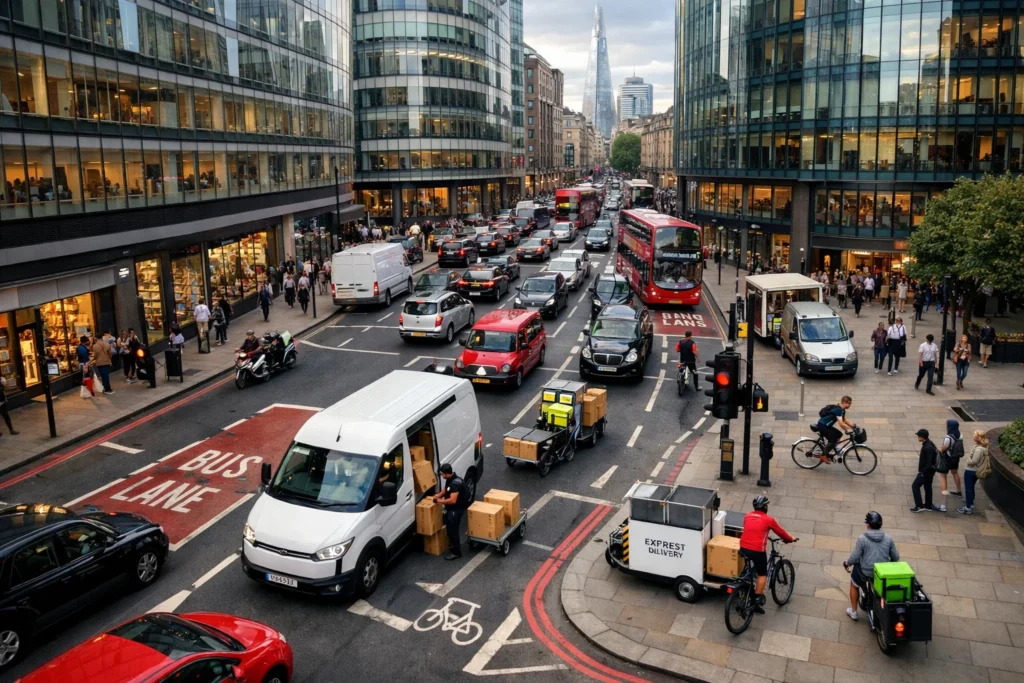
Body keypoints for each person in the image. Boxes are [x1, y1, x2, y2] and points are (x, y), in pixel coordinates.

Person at [739, 496, 795, 615]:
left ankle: (747, 580)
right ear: (765, 507)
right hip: (757, 550)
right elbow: (781, 532)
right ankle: (756, 600)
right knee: (762, 573)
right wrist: (790, 539)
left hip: (743, 547)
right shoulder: (769, 520)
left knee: (751, 563)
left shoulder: (747, 515)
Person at [843, 512, 900, 622]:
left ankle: (854, 612)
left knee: (854, 583)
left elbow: (855, 557)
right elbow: (896, 557)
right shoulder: (888, 538)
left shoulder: (862, 538)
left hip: (866, 572)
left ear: (868, 525)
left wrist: (847, 563)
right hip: (882, 572)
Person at [432, 463, 471, 560]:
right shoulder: (451, 479)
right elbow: (446, 489)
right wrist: (439, 495)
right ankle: (452, 545)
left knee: (453, 530)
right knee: (449, 527)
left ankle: (456, 552)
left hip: (457, 509)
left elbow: (452, 500)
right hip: (453, 508)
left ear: (447, 474)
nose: (441, 476)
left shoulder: (455, 484)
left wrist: (439, 501)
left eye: (442, 474)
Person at [910, 428, 943, 512]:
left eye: (918, 436)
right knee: (927, 487)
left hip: (926, 472)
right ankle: (928, 505)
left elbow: (929, 463)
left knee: (915, 486)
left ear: (921, 437)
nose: (917, 437)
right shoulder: (930, 443)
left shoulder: (927, 447)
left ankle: (919, 506)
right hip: (930, 472)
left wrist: (922, 472)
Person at [959, 430, 990, 515]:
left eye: (974, 435)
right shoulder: (982, 447)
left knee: (968, 489)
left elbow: (974, 461)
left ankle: (968, 507)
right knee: (971, 488)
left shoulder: (979, 449)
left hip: (971, 470)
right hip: (976, 471)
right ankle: (970, 504)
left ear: (977, 438)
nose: (973, 436)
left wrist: (968, 460)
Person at [817, 396, 855, 462]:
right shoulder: (838, 410)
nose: (850, 405)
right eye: (849, 403)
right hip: (822, 426)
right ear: (844, 402)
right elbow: (841, 423)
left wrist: (853, 426)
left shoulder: (842, 410)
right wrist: (849, 429)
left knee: (839, 434)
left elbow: (844, 420)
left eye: (850, 403)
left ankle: (831, 447)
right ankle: (823, 456)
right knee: (832, 440)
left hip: (827, 426)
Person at [938, 418, 964, 498]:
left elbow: (943, 448)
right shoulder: (960, 434)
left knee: (943, 474)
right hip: (956, 457)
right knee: (955, 472)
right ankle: (959, 491)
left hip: (948, 457)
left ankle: (944, 492)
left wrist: (939, 449)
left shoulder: (948, 437)